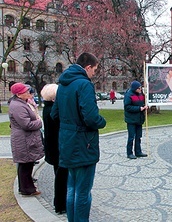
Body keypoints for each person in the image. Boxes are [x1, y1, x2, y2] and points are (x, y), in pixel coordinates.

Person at [51, 52, 106, 222]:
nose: (94, 74)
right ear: (88, 67)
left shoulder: (62, 85)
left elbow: (54, 114)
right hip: (83, 143)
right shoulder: (84, 84)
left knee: (72, 188)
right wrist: (101, 121)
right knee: (82, 191)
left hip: (67, 141)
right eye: (94, 70)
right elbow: (90, 117)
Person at [8, 82, 44, 196]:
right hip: (23, 139)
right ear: (19, 94)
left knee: (26, 164)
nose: (28, 93)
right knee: (25, 165)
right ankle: (27, 189)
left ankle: (25, 188)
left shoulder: (20, 103)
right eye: (26, 91)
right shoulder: (18, 106)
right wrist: (39, 122)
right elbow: (26, 124)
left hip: (24, 139)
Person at [41, 83, 68, 214]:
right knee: (61, 177)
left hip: (53, 147)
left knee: (59, 175)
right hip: (57, 148)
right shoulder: (53, 110)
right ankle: (60, 204)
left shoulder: (48, 108)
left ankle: (60, 202)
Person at [124, 81, 148, 159]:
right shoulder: (128, 95)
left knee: (138, 136)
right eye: (139, 88)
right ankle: (129, 153)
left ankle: (138, 152)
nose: (140, 89)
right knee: (131, 137)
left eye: (140, 87)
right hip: (131, 119)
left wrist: (145, 106)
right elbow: (127, 107)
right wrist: (139, 108)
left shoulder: (141, 94)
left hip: (139, 119)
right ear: (135, 88)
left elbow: (143, 103)